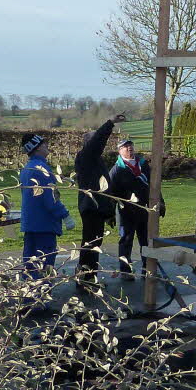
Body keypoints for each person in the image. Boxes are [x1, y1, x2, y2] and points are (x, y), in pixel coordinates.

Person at [73, 114, 127, 287]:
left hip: (96, 208)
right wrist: (110, 122)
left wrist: (109, 212)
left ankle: (88, 276)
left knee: (94, 243)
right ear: (89, 143)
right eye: (94, 139)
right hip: (90, 207)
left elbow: (105, 187)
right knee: (90, 243)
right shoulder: (86, 156)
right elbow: (98, 141)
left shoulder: (94, 160)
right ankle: (85, 277)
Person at [108, 138, 165, 279]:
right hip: (126, 211)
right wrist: (109, 214)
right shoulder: (116, 170)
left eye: (130, 145)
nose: (129, 148)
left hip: (143, 209)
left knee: (146, 240)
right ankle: (126, 271)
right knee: (126, 240)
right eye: (125, 146)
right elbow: (109, 194)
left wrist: (161, 202)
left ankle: (148, 270)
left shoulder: (143, 165)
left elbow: (154, 185)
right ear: (119, 150)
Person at [19, 133, 71, 281]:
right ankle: (40, 301)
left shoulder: (27, 168)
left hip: (31, 224)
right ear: (37, 148)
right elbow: (50, 199)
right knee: (44, 266)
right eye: (43, 144)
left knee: (30, 266)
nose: (47, 146)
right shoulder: (42, 169)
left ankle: (28, 299)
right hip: (44, 225)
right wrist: (65, 215)